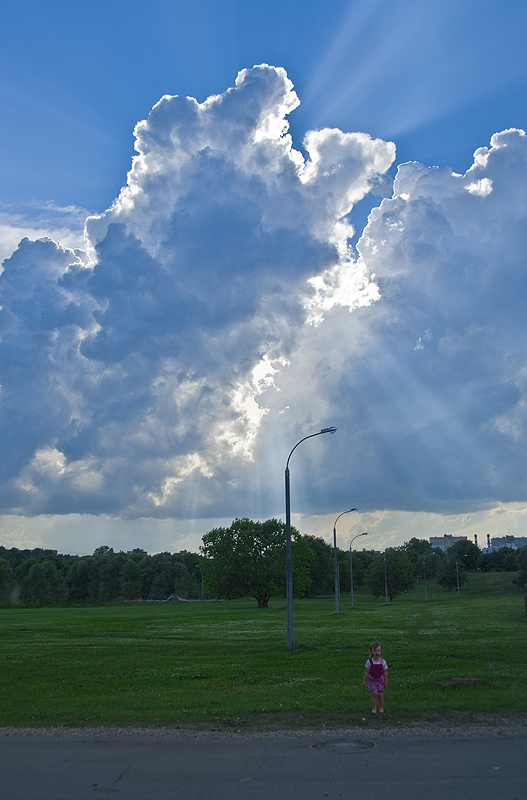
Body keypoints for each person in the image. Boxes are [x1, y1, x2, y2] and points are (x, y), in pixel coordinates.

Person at [363, 641, 388, 714]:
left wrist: (386, 681)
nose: (377, 652)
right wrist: (364, 681)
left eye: (378, 651)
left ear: (381, 652)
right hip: (372, 680)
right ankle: (374, 708)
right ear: (371, 652)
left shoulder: (383, 662)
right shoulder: (369, 662)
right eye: (375, 650)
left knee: (380, 694)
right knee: (374, 694)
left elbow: (385, 672)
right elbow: (366, 672)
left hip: (380, 680)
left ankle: (381, 707)